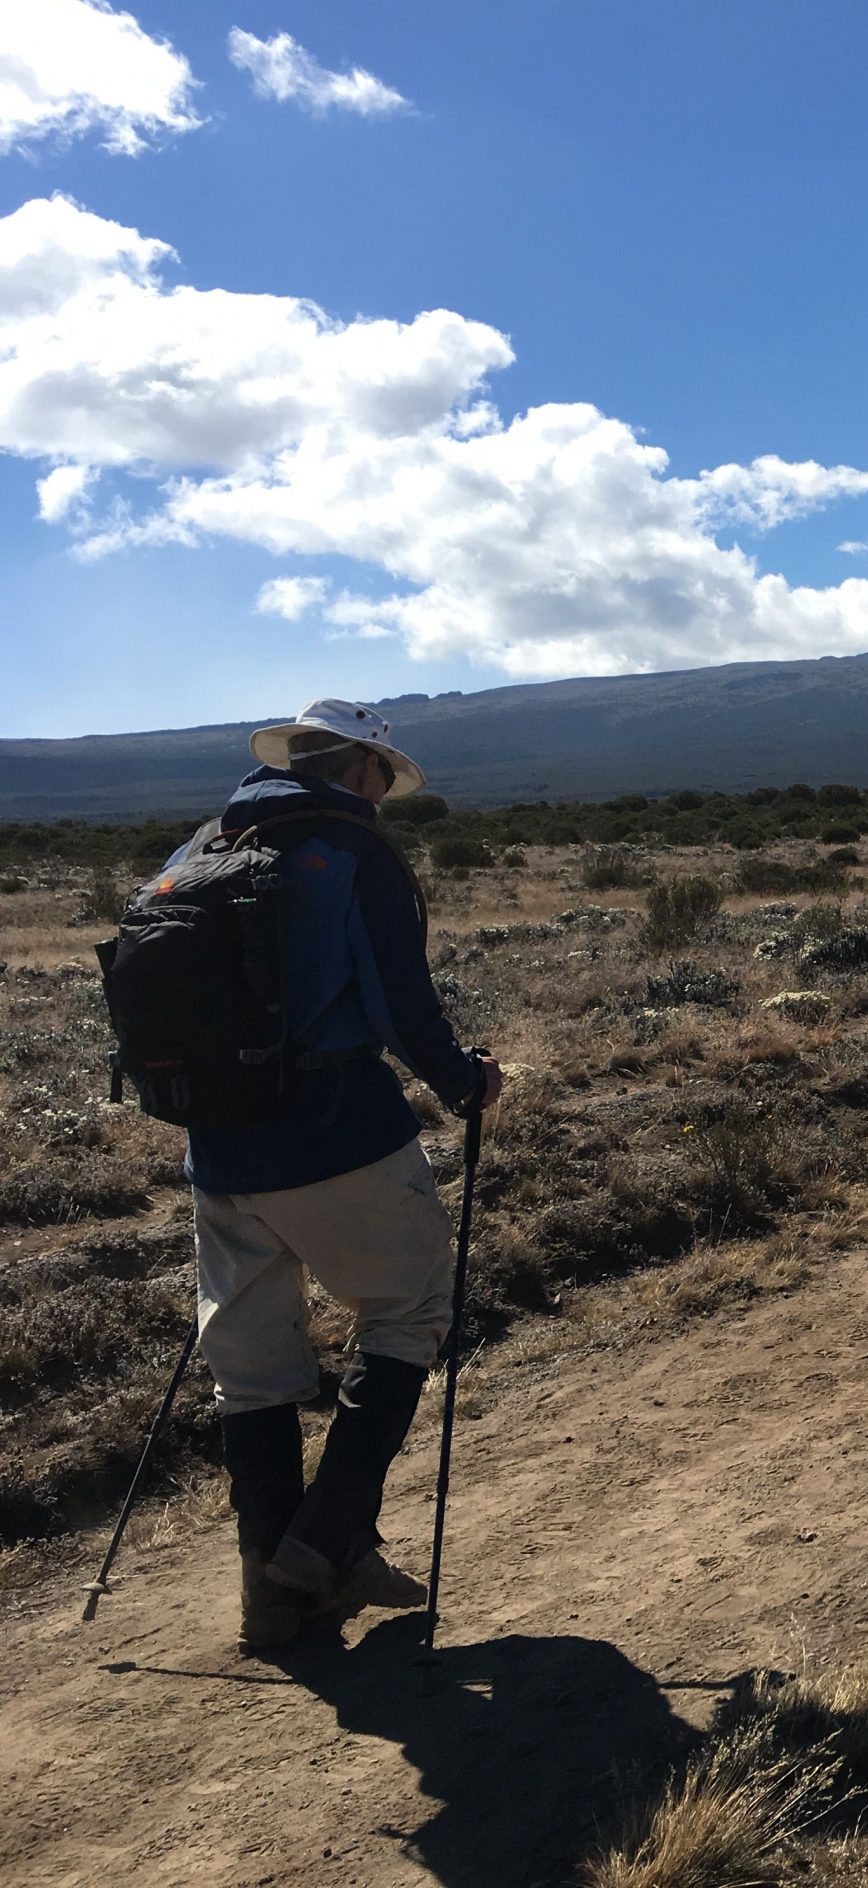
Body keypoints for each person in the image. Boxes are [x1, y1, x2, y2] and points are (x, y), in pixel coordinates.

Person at [163, 701, 503, 1651]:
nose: (386, 796)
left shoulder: (201, 846)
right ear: (360, 769)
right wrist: (466, 1081)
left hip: (217, 1149)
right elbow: (402, 1007)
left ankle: (271, 1603)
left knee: (254, 1369)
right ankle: (325, 1542)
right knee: (406, 1312)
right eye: (384, 778)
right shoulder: (352, 852)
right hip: (335, 1132)